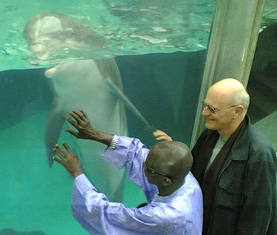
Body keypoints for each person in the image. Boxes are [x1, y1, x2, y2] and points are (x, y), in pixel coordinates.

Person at [52, 110, 203, 235]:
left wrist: (77, 172)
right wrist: (94, 134)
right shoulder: (186, 181)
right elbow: (136, 152)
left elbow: (103, 215)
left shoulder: (163, 217)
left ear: (166, 181)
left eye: (148, 169)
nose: (142, 166)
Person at [159, 78, 276, 234]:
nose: (204, 113)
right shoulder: (209, 135)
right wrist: (175, 153)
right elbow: (191, 176)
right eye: (205, 105)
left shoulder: (259, 155)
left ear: (238, 111)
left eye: (212, 109)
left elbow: (257, 219)